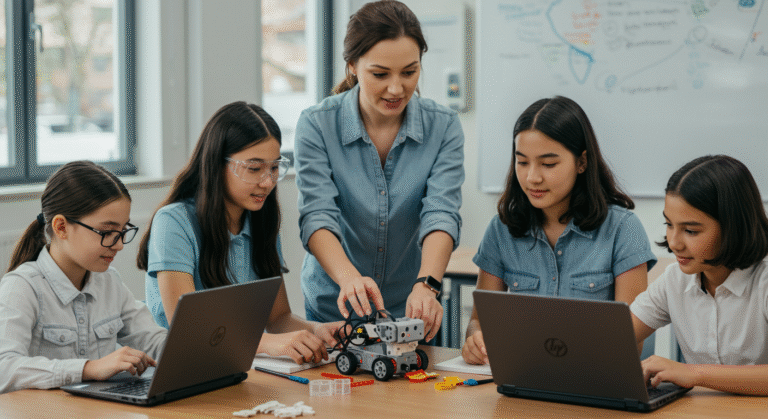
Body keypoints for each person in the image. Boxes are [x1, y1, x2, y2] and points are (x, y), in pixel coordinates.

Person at [294, 0, 464, 342]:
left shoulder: (443, 126)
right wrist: (348, 278)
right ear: (353, 66)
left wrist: (427, 284)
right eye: (380, 74)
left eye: (409, 72)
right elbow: (317, 216)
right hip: (335, 306)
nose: (397, 89)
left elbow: (441, 213)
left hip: (411, 306)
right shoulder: (316, 125)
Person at [137, 102, 342, 365]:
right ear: (216, 164)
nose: (267, 182)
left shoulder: (261, 221)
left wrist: (315, 331)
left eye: (274, 168)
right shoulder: (173, 222)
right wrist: (268, 344)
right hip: (180, 367)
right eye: (254, 169)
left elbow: (278, 318)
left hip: (231, 366)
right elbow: (187, 329)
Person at [462, 96, 656, 365]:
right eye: (522, 162)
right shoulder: (501, 229)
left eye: (548, 164)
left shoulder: (623, 229)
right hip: (524, 379)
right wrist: (476, 339)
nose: (532, 177)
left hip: (596, 383)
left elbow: (631, 342)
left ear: (582, 162)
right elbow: (478, 322)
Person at [0, 161, 167, 393]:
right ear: (61, 227)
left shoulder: (109, 281)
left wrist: (198, 350)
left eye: (122, 232)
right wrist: (88, 368)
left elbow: (152, 339)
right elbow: (4, 368)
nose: (118, 245)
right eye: (107, 232)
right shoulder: (22, 287)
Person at [631, 155, 768, 395]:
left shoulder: (764, 278)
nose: (674, 243)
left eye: (691, 231)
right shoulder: (675, 279)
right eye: (669, 224)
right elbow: (613, 340)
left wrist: (694, 373)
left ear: (732, 226)